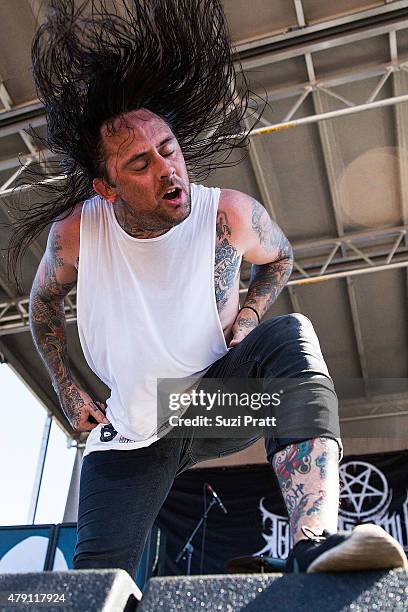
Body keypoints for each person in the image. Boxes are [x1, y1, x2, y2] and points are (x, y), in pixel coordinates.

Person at [18, 0, 406, 577]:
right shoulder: (77, 234)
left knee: (289, 335)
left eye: (168, 150)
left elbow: (281, 258)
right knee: (98, 587)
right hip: (129, 432)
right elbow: (42, 305)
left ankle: (313, 540)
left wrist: (248, 314)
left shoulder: (227, 215)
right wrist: (68, 391)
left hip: (208, 406)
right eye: (140, 164)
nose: (167, 170)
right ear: (107, 186)